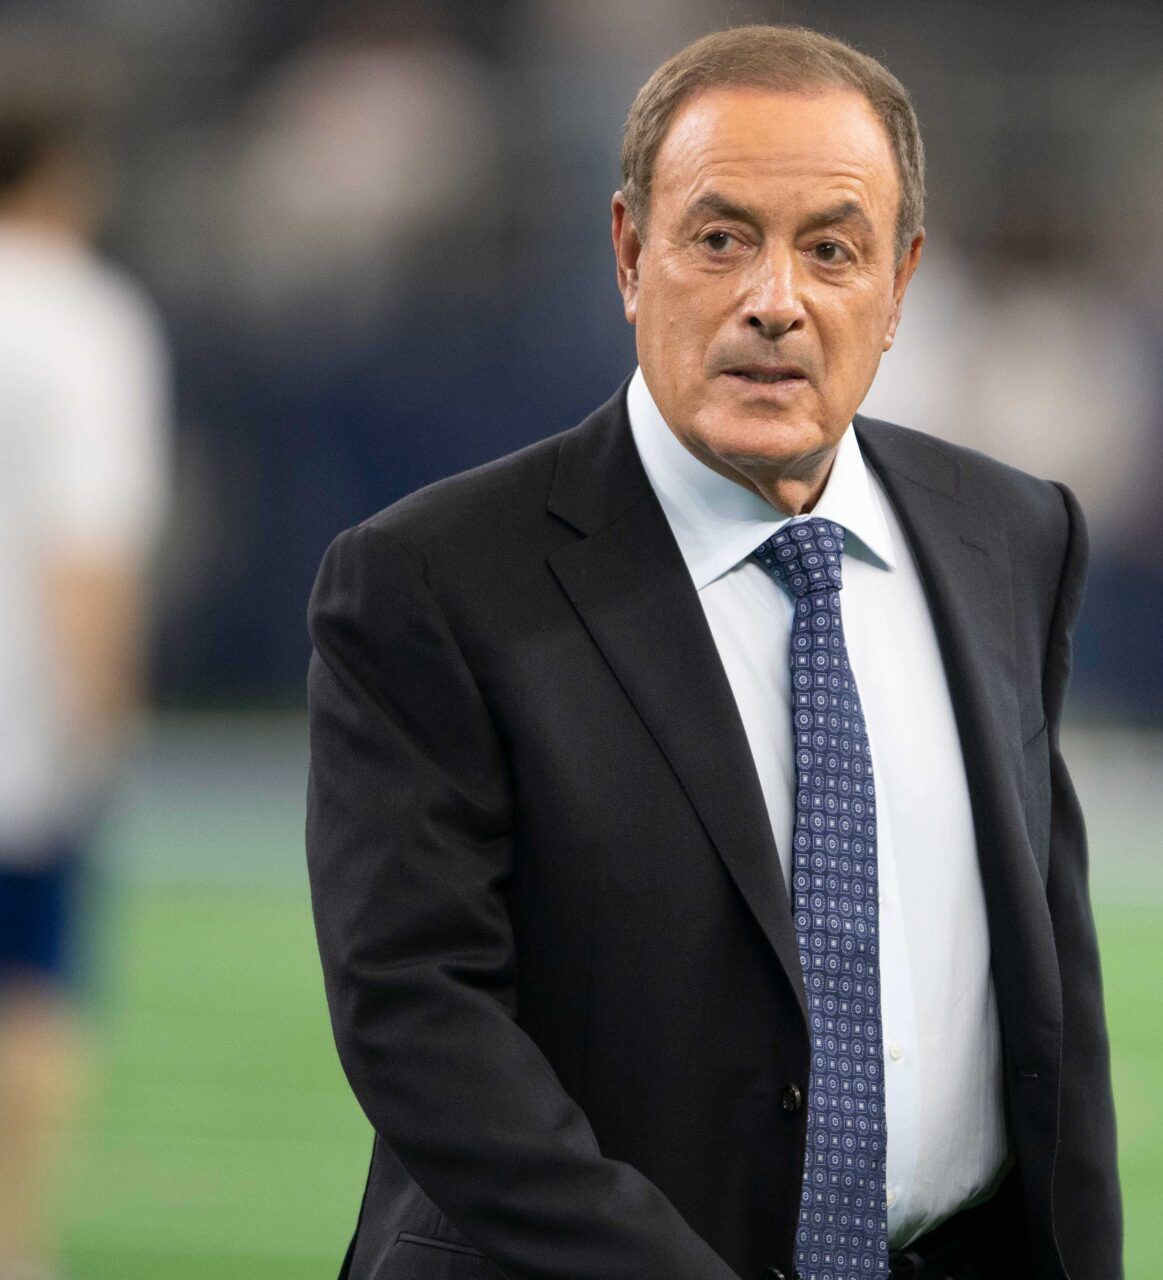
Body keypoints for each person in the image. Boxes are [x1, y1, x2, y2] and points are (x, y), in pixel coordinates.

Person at [305, 24, 1121, 1280]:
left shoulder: (1010, 534)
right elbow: (423, 1025)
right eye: (722, 237)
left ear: (901, 287)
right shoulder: (433, 579)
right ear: (632, 253)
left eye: (831, 249)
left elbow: (1051, 991)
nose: (775, 300)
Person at [0, 64, 171, 1280]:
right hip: (19, 727)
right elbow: (87, 546)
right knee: (33, 991)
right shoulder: (81, 322)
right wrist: (106, 708)